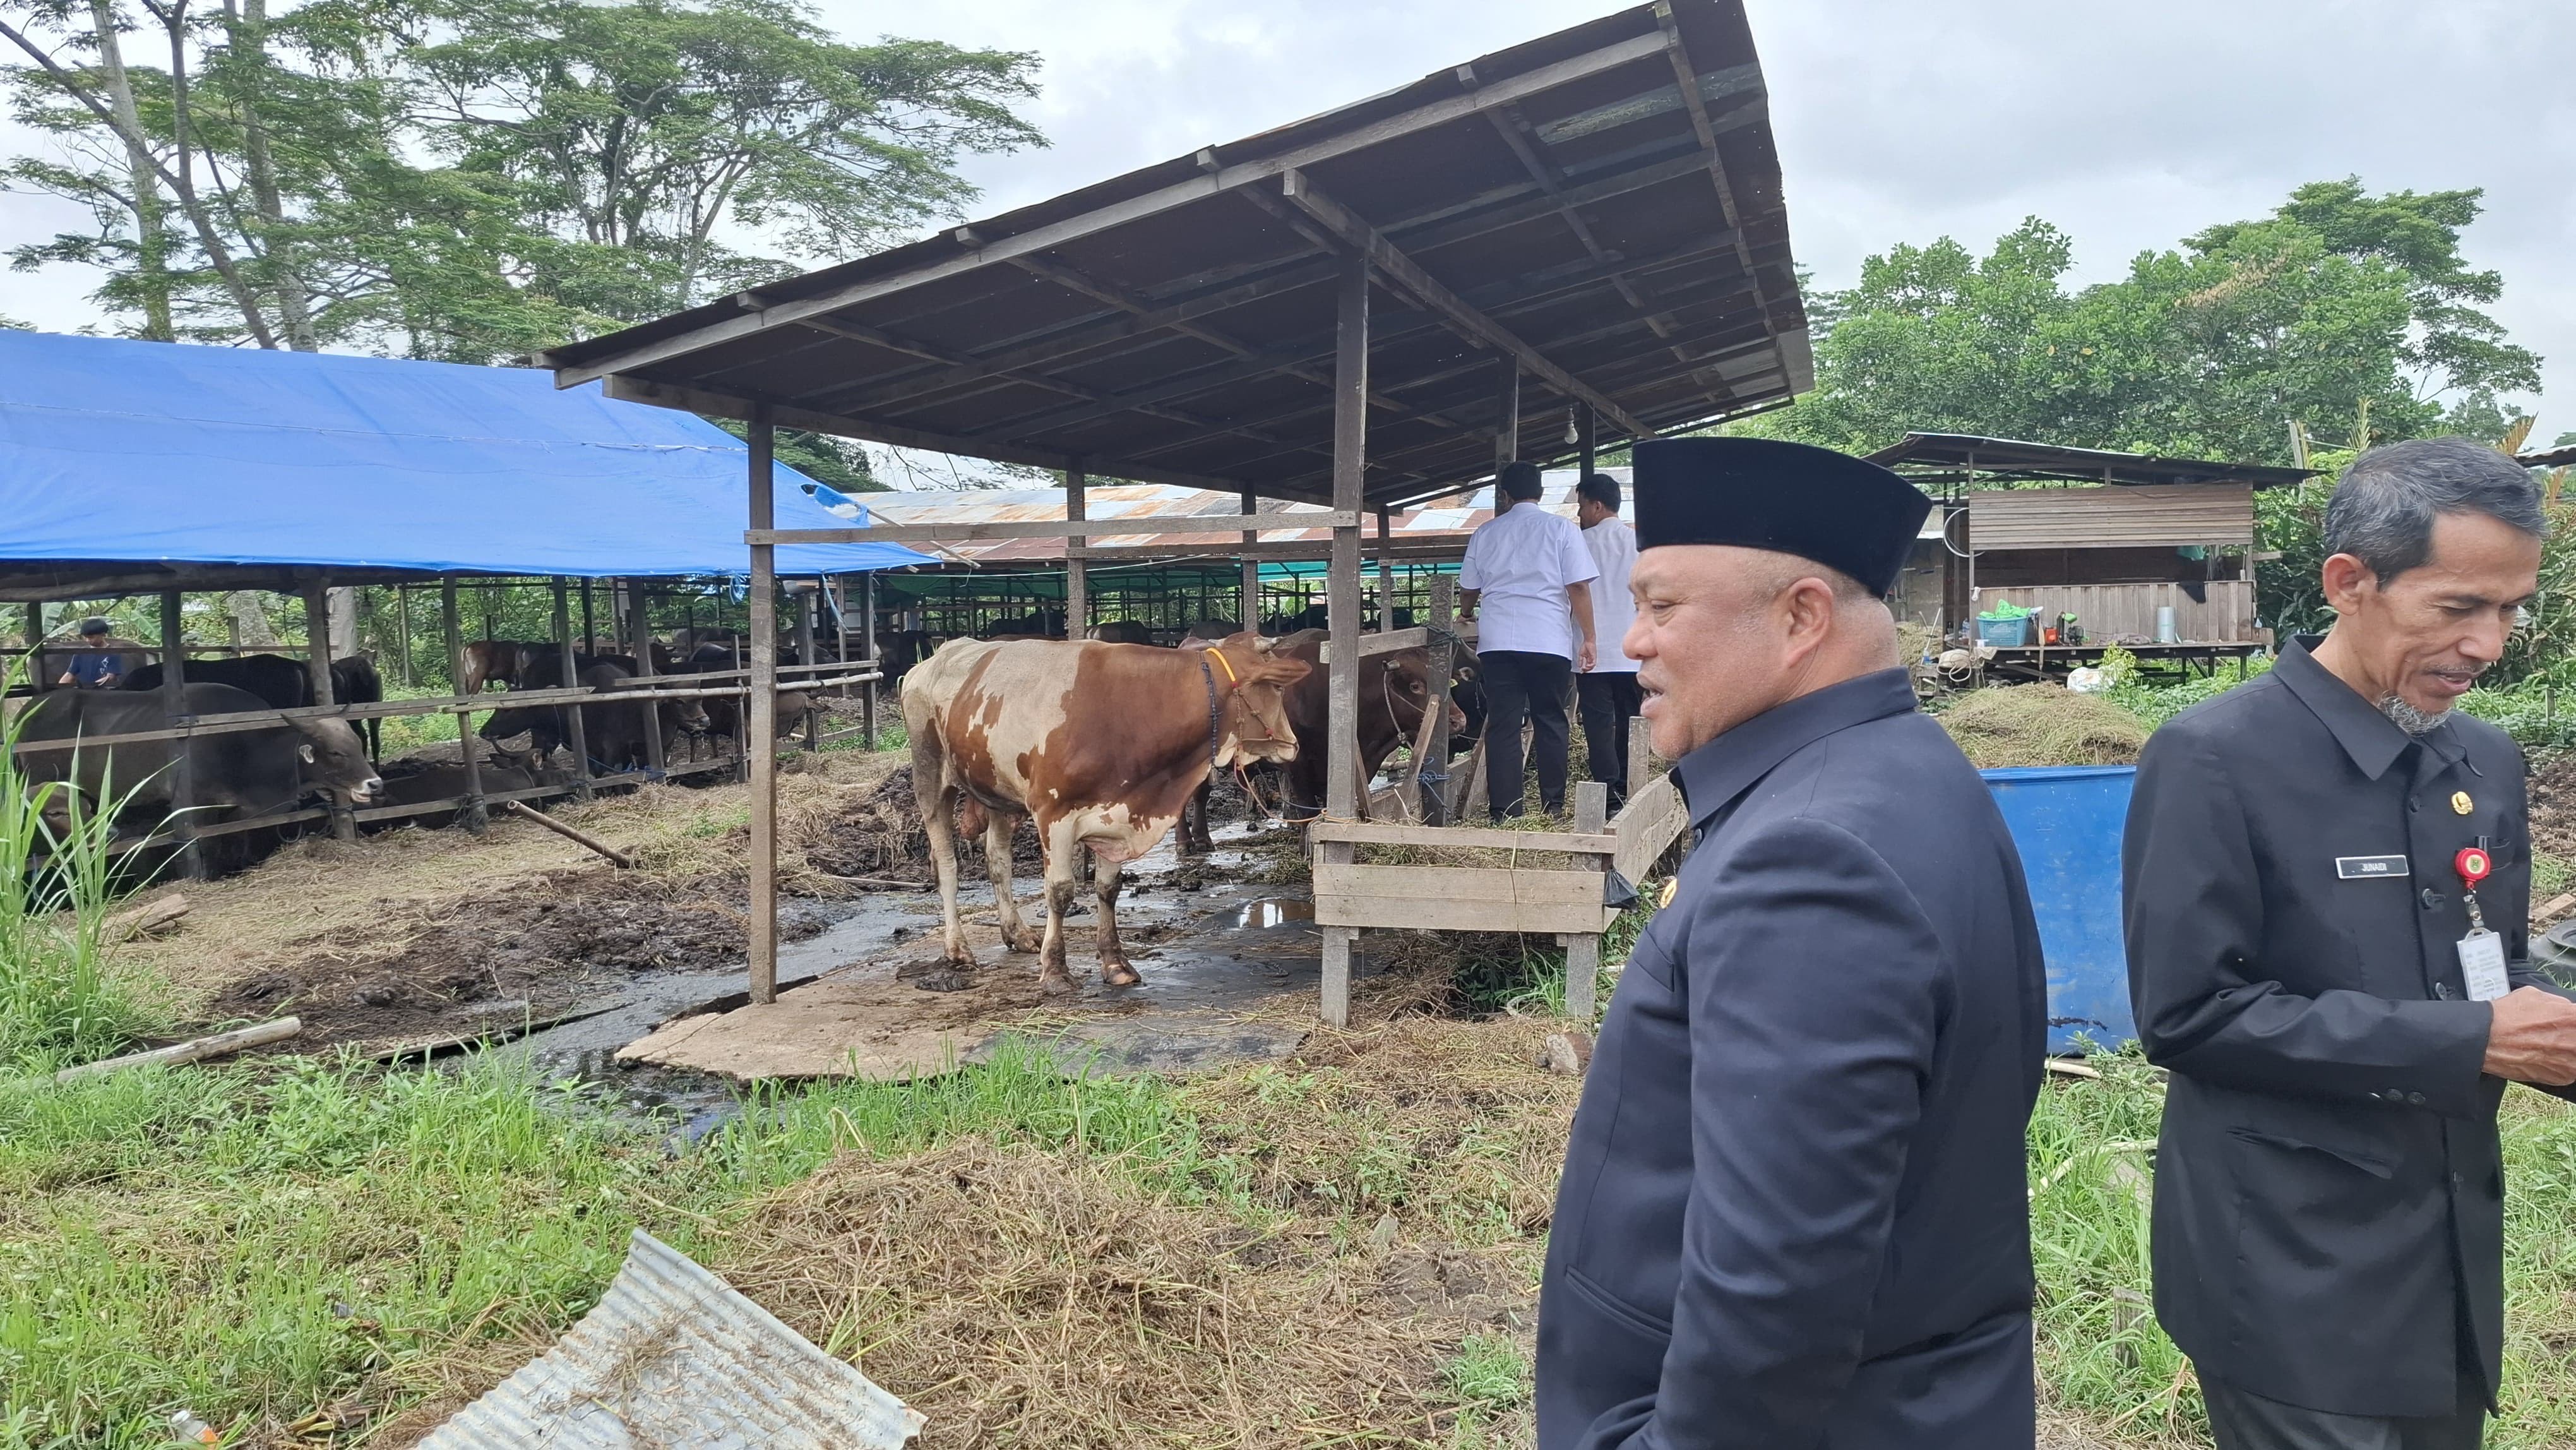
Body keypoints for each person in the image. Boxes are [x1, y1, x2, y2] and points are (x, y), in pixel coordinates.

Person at [1537, 437, 2048, 1450]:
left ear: (1802, 617)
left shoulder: (1812, 856)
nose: (1631, 641)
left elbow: (1776, 1290)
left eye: (1664, 605)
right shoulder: (1899, 767)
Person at [2124, 438, 2576, 1450]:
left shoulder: (2484, 759)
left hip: (2449, 1245)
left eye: (2511, 609)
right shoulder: (2214, 758)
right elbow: (2191, 1016)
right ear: (2349, 582)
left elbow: (2489, 967)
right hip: (2293, 1267)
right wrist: (2473, 1043)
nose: (2490, 644)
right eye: (2459, 608)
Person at [1459, 460, 1597, 819]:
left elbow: (1469, 588)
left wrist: (1466, 613)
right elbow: (1579, 586)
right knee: (1551, 718)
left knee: (1503, 723)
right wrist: (1590, 638)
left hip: (1498, 642)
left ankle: (1505, 811)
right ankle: (1552, 806)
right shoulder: (1562, 530)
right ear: (1540, 493)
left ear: (1504, 495)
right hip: (1548, 640)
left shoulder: (1485, 533)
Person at [1574, 471, 1642, 811]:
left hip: (1591, 651)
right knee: (1630, 715)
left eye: (1582, 506)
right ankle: (1630, 784)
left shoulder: (1577, 543)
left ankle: (1607, 789)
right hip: (1631, 650)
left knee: (1598, 720)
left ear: (1597, 506)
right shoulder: (1637, 543)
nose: (1580, 514)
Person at [56, 617, 122, 688]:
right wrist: (60, 688)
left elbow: (110, 677)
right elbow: (70, 675)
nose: (87, 640)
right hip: (84, 692)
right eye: (86, 637)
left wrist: (91, 687)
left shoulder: (114, 653)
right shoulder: (80, 653)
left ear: (103, 634)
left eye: (91, 637)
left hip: (104, 693)